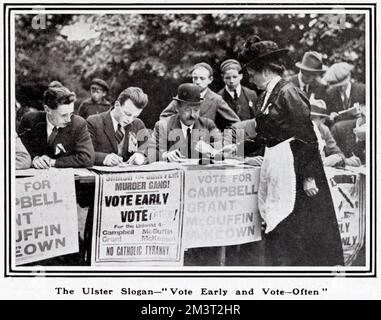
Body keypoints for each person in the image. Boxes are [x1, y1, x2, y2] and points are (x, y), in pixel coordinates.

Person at [223, 35, 344, 266]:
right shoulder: (266, 95)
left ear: (266, 71)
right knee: (280, 225)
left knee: (300, 229)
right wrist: (235, 147)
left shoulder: (289, 92)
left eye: (252, 73)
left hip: (297, 168)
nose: (249, 78)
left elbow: (306, 136)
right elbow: (267, 132)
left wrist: (308, 177)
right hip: (276, 162)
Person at [18, 85, 95, 169]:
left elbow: (88, 158)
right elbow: (18, 151)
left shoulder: (78, 124)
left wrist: (53, 162)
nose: (69, 119)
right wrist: (34, 159)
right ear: (47, 109)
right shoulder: (29, 120)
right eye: (64, 115)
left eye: (71, 113)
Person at [149, 83, 222, 163]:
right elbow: (150, 152)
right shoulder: (163, 126)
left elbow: (224, 149)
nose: (192, 115)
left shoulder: (207, 125)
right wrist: (165, 155)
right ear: (177, 108)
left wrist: (210, 150)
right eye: (187, 110)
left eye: (196, 110)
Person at [160, 62, 240, 131]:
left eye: (202, 78)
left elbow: (235, 123)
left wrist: (219, 139)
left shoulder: (216, 99)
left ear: (210, 80)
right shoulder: (183, 95)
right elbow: (164, 116)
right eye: (195, 78)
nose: (198, 82)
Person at [87, 87, 150, 166]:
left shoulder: (138, 124)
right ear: (117, 105)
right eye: (127, 114)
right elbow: (85, 153)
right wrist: (104, 158)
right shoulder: (93, 122)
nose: (129, 120)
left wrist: (141, 156)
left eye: (135, 116)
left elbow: (150, 150)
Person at [309, 97, 361, 167]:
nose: (310, 121)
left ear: (323, 120)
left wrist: (344, 160)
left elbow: (337, 152)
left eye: (314, 118)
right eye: (308, 117)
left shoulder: (324, 130)